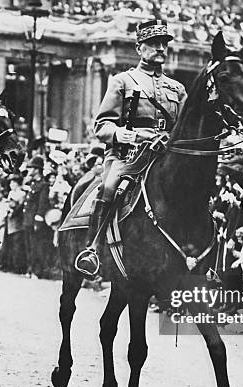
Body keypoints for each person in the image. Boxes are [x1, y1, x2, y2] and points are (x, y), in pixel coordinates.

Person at [75, 19, 188, 276]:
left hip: (162, 157)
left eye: (163, 44)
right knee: (109, 186)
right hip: (127, 154)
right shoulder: (122, 81)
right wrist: (120, 134)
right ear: (139, 48)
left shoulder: (178, 89)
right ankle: (93, 249)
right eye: (153, 43)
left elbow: (181, 130)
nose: (160, 48)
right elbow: (101, 125)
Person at [22, 156, 51, 278]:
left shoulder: (43, 185)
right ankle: (29, 269)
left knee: (36, 246)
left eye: (32, 168)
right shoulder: (34, 183)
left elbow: (42, 203)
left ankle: (36, 271)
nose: (30, 170)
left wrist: (38, 219)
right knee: (29, 245)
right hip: (28, 219)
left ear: (37, 169)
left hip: (35, 220)